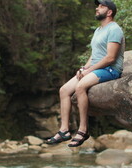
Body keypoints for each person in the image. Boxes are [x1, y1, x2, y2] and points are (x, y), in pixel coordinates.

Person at [47, 0, 125, 147]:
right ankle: (64, 130)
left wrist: (90, 70)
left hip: (111, 69)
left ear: (109, 12)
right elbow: (94, 54)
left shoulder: (114, 29)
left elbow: (110, 58)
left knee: (80, 87)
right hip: (97, 68)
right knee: (64, 90)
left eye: (101, 6)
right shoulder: (98, 30)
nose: (97, 8)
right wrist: (84, 68)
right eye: (98, 6)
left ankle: (83, 129)